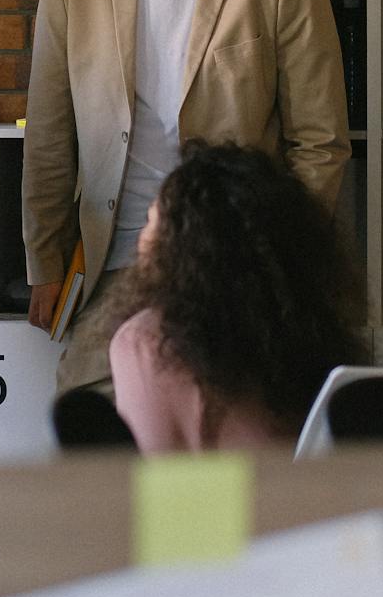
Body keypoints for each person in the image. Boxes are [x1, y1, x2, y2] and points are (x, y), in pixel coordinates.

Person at [23, 0, 349, 403]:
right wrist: (45, 262)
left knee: (218, 438)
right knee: (88, 426)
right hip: (110, 266)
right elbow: (50, 129)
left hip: (232, 270)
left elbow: (320, 145)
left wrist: (273, 270)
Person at [98, 141, 368, 453]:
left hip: (217, 488)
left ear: (181, 246)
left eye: (151, 222)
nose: (142, 238)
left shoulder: (145, 340)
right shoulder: (307, 330)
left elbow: (153, 471)